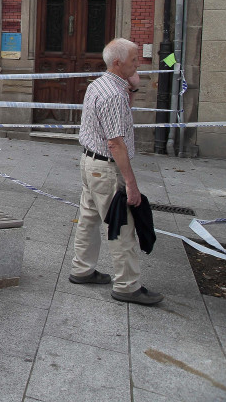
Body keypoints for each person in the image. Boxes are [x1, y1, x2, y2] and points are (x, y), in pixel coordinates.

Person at [70, 38, 163, 305]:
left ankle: (82, 269)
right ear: (118, 62)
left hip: (89, 164)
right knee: (122, 225)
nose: (139, 64)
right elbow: (116, 142)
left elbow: (120, 119)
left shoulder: (100, 85)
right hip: (105, 169)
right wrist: (131, 184)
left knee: (88, 218)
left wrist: (132, 91)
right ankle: (127, 285)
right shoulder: (112, 94)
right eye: (134, 60)